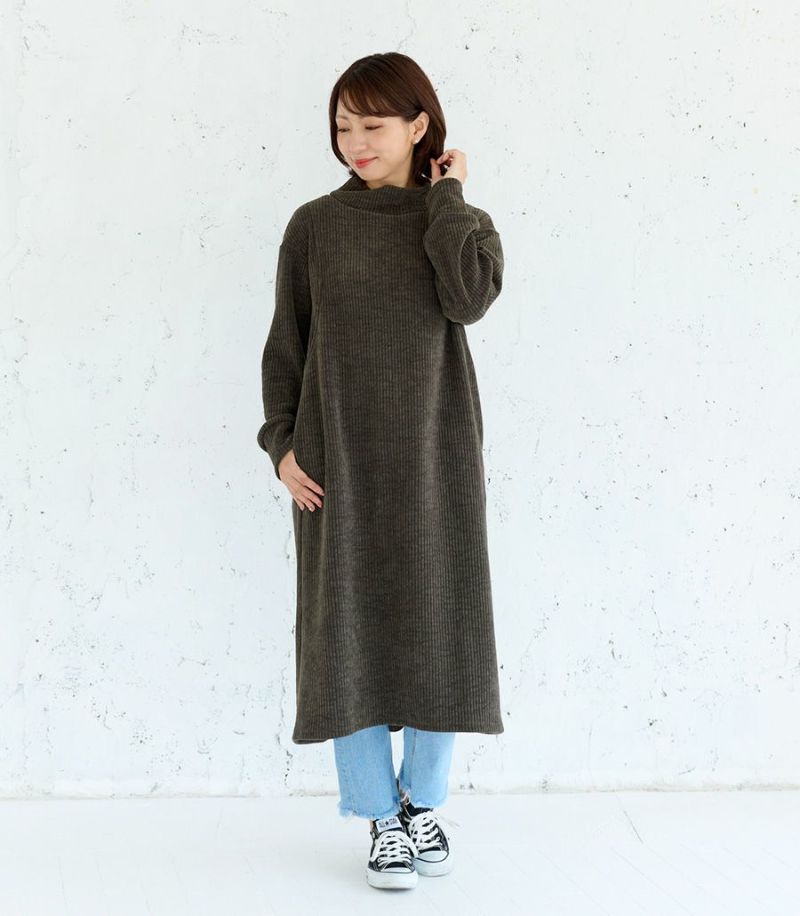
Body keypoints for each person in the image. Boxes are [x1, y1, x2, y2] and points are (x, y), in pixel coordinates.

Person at [257, 52, 505, 890]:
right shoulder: (315, 226)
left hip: (436, 455)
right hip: (336, 463)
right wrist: (281, 445)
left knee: (443, 624)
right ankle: (377, 818)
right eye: (342, 127)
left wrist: (447, 198)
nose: (355, 142)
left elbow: (468, 298)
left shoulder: (459, 221)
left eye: (372, 125)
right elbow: (286, 345)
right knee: (347, 634)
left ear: (418, 126)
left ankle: (421, 804)